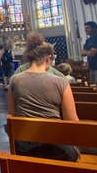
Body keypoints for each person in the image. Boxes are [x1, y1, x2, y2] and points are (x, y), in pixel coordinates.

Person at [7, 32, 80, 162]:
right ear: (48, 58)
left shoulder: (14, 80)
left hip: (24, 147)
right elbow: (72, 122)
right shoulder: (61, 82)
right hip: (57, 148)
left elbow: (13, 116)